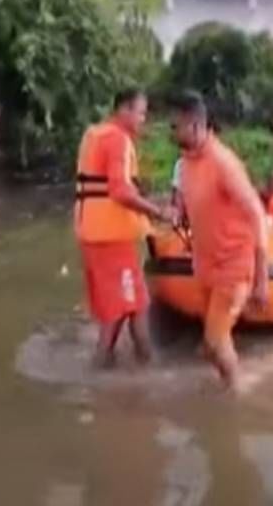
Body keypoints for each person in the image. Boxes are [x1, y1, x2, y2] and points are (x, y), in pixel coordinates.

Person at [171, 91, 270, 392]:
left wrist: (262, 279)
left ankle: (236, 396)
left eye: (175, 126)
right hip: (205, 264)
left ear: (196, 125)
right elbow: (190, 207)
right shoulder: (186, 163)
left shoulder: (223, 163)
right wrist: (174, 213)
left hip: (234, 264)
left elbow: (257, 215)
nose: (170, 132)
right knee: (211, 342)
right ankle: (234, 376)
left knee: (215, 340)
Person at [74, 89, 172, 368]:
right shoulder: (118, 140)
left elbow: (109, 187)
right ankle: (149, 372)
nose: (144, 119)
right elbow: (119, 191)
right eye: (141, 112)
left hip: (93, 234)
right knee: (136, 306)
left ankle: (105, 372)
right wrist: (158, 212)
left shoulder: (95, 134)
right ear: (124, 110)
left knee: (116, 309)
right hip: (110, 238)